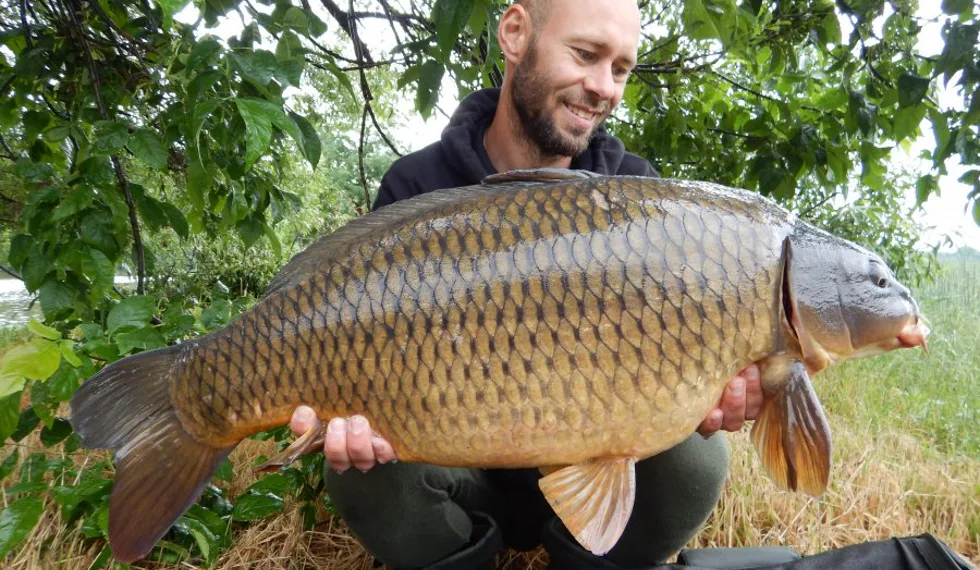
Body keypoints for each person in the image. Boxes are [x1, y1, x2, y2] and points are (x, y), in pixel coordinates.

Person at [290, 1, 763, 568]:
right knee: (360, 471)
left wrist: (710, 389)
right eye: (585, 54)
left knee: (698, 458)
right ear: (515, 33)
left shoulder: (638, 198)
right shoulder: (417, 186)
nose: (603, 86)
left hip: (590, 461)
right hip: (458, 474)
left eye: (620, 69)